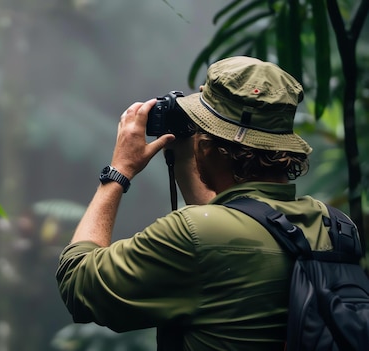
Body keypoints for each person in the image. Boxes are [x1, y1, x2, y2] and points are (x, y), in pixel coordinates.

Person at [55, 56, 331, 351]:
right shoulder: (332, 224)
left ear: (209, 147)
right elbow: (236, 219)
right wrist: (188, 154)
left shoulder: (192, 235)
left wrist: (118, 172)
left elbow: (78, 283)